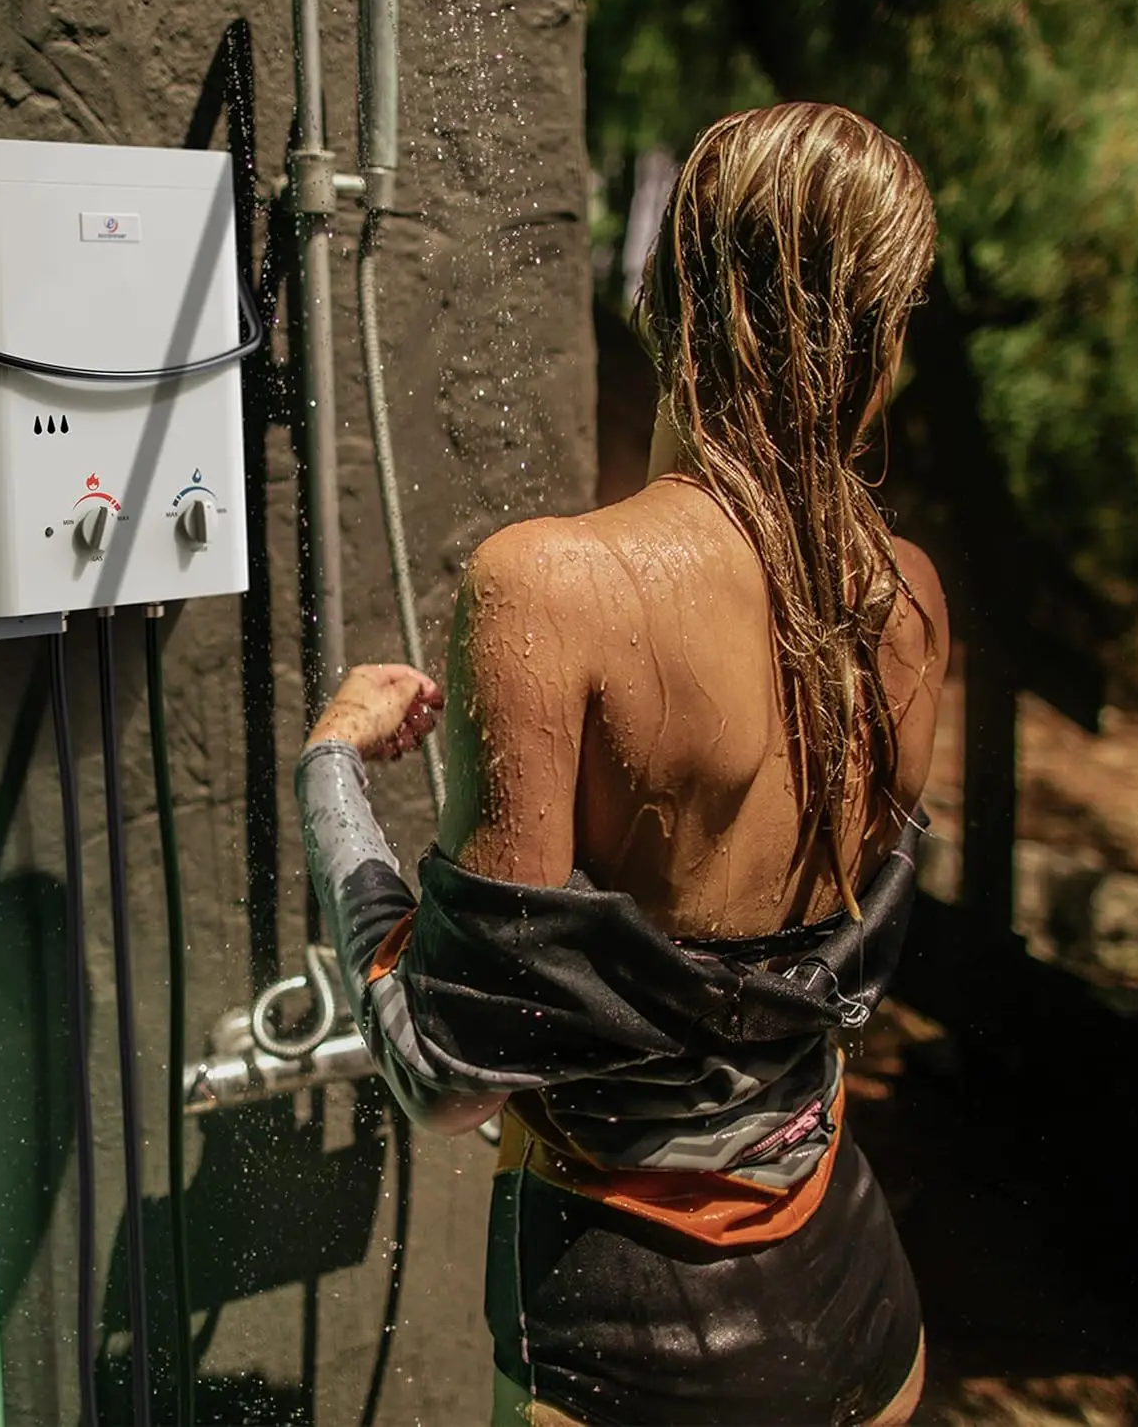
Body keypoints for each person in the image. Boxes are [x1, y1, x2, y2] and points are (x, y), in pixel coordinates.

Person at [295, 102, 950, 1427]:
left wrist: (328, 775)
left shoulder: (549, 587)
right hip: (865, 1314)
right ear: (883, 339)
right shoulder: (911, 602)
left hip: (633, 1347)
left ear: (668, 293)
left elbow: (451, 1071)